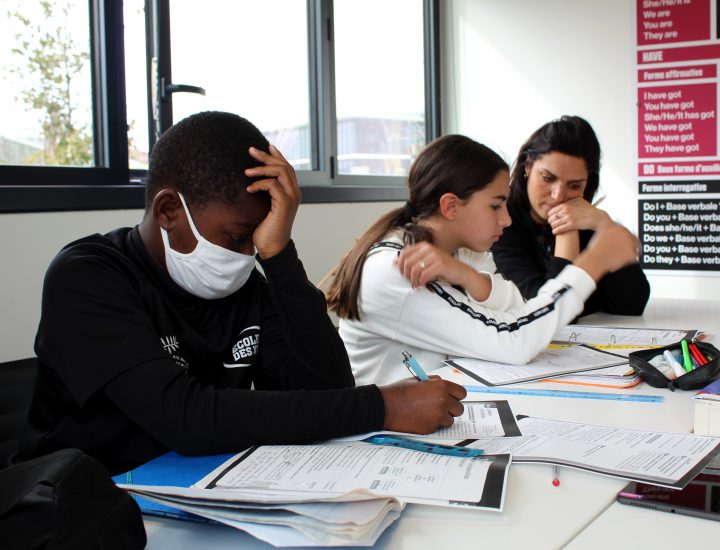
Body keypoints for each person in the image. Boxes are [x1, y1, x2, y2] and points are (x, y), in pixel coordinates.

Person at [17, 111, 466, 475]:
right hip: (88, 508)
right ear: (169, 210)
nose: (246, 253)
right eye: (237, 237)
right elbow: (185, 419)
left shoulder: (245, 281)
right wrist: (382, 405)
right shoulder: (88, 277)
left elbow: (326, 389)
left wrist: (280, 255)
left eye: (259, 238)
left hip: (206, 486)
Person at [326, 134, 640, 385]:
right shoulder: (398, 269)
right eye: (495, 206)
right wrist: (592, 263)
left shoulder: (459, 253)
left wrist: (469, 277)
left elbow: (519, 306)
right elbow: (515, 340)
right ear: (451, 206)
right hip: (385, 437)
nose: (505, 219)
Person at [491, 116, 650, 315]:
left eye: (574, 185)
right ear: (528, 167)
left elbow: (632, 304)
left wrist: (604, 224)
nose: (558, 195)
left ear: (587, 183)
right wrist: (567, 229)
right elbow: (548, 313)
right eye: (548, 178)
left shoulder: (589, 219)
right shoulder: (501, 223)